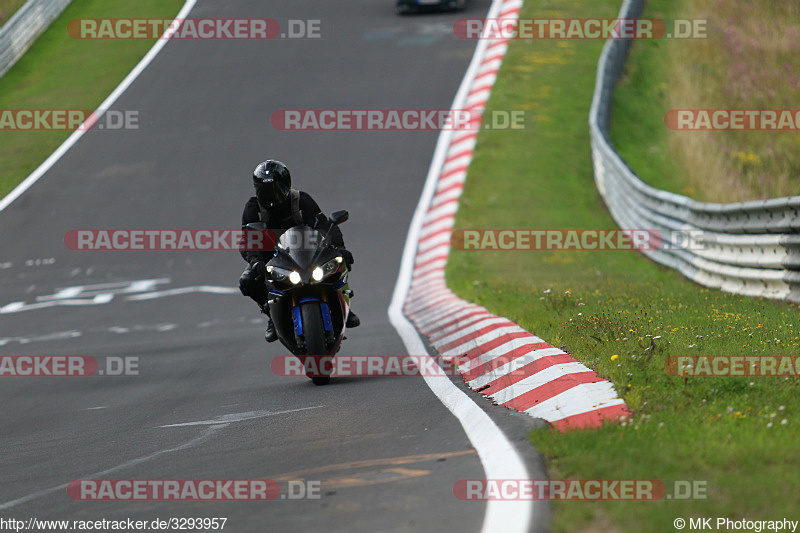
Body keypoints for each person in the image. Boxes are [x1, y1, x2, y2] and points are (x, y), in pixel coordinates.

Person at [239, 160, 359, 342]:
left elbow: (324, 225)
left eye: (277, 189)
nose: (273, 196)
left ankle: (343, 304)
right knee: (247, 281)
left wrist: (340, 248)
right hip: (272, 260)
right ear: (257, 190)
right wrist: (255, 261)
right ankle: (270, 313)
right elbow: (248, 240)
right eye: (266, 191)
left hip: (309, 254)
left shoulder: (301, 200)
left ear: (286, 185)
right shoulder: (253, 209)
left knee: (340, 261)